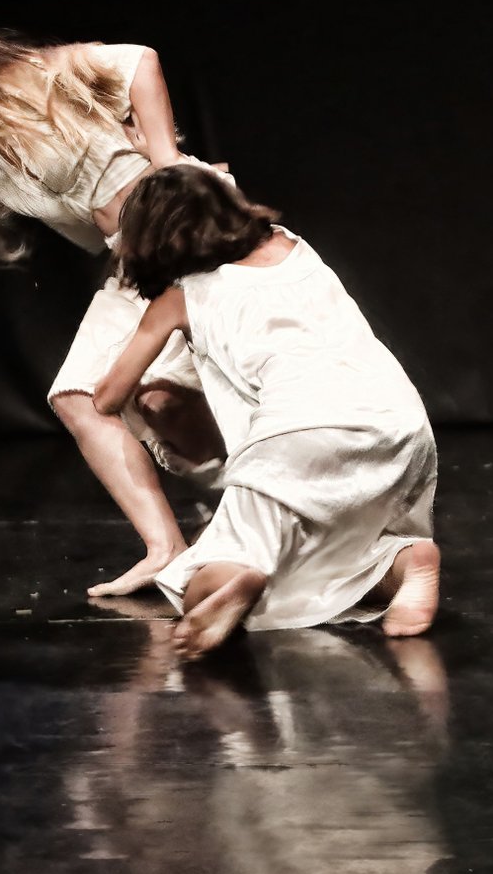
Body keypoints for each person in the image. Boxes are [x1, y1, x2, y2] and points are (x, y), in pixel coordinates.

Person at [0, 24, 228, 597]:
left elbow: (141, 60)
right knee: (79, 398)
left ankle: (257, 506)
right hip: (136, 259)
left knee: (162, 397)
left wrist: (166, 160)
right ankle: (166, 549)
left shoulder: (45, 77)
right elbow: (91, 229)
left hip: (189, 227)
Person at [93, 164, 440, 658]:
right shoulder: (291, 245)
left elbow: (107, 397)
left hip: (298, 432)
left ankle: (240, 578)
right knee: (337, 560)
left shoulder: (179, 298)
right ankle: (407, 560)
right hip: (399, 421)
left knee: (198, 583)